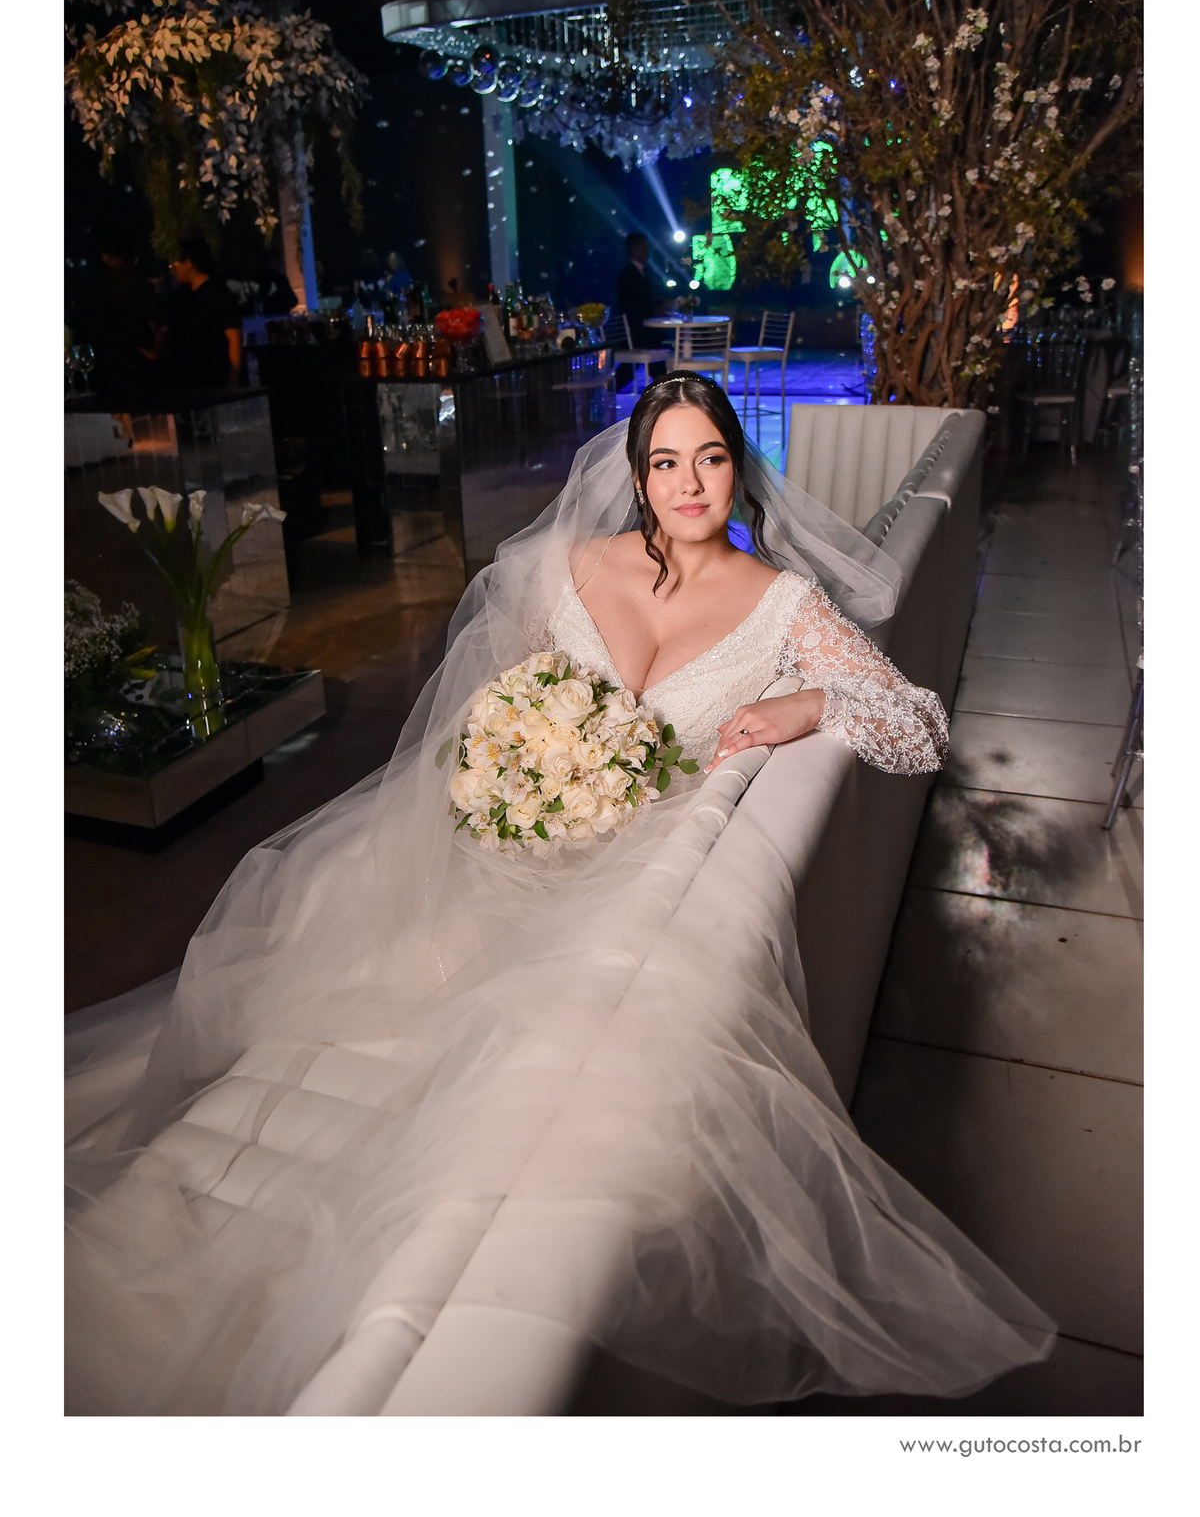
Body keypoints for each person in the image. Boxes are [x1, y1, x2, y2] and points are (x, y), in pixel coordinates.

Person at [65, 373, 1053, 1414]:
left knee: (460, 1104)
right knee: (351, 1022)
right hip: (497, 868)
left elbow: (917, 723)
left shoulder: (783, 605)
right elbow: (495, 701)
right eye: (665, 463)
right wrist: (507, 770)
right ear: (637, 475)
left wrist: (808, 704)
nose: (689, 484)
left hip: (616, 896)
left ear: (739, 469)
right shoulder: (568, 563)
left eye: (710, 459)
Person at [66, 233, 161, 389]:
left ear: (105, 257)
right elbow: (159, 321)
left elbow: (77, 328)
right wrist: (153, 352)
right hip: (137, 365)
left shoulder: (88, 289)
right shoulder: (141, 286)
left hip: (99, 366)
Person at [162, 237, 243, 389]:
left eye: (175, 264)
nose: (172, 270)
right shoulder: (181, 297)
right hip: (189, 379)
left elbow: (234, 337)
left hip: (214, 376)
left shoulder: (218, 294)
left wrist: (233, 378)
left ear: (189, 263)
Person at [614, 230, 671, 353]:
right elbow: (633, 304)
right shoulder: (628, 274)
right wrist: (655, 309)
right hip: (636, 331)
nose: (647, 251)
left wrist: (661, 304)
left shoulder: (640, 272)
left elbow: (643, 299)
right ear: (633, 250)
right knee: (662, 339)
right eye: (643, 248)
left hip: (641, 327)